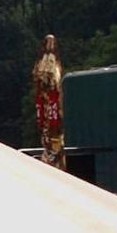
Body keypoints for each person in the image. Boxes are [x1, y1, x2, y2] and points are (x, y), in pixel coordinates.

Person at [30, 33, 68, 163]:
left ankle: (55, 153)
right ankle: (49, 151)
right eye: (48, 42)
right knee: (48, 129)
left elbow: (55, 78)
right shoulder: (41, 61)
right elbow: (38, 77)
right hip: (46, 100)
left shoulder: (55, 63)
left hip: (53, 99)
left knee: (54, 130)